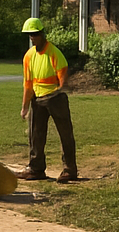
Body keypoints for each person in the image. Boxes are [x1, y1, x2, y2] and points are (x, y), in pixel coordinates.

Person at [16, 17, 77, 184]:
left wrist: (59, 92)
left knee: (65, 134)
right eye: (30, 35)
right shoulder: (28, 56)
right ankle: (36, 169)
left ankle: (70, 169)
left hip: (55, 98)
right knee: (35, 135)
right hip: (37, 99)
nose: (33, 38)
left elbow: (63, 78)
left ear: (42, 33)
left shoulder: (54, 53)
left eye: (35, 34)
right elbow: (27, 84)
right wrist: (25, 107)